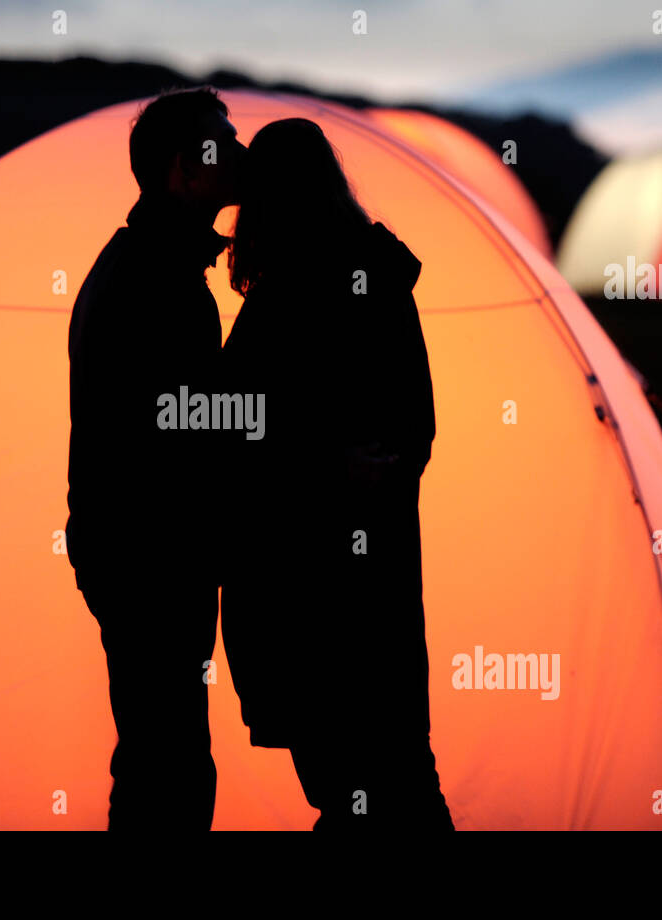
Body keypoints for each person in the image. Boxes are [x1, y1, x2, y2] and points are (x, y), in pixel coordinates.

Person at [221, 118, 454, 829]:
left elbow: (244, 433)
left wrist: (334, 473)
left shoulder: (284, 298)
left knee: (365, 783)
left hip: (305, 589)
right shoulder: (372, 278)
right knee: (389, 776)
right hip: (367, 581)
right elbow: (414, 426)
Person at [65, 88, 245, 830]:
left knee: (160, 757)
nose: (239, 156)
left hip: (144, 556)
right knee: (167, 766)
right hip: (149, 562)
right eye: (222, 145)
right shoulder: (154, 282)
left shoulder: (155, 267)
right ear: (182, 170)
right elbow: (176, 421)